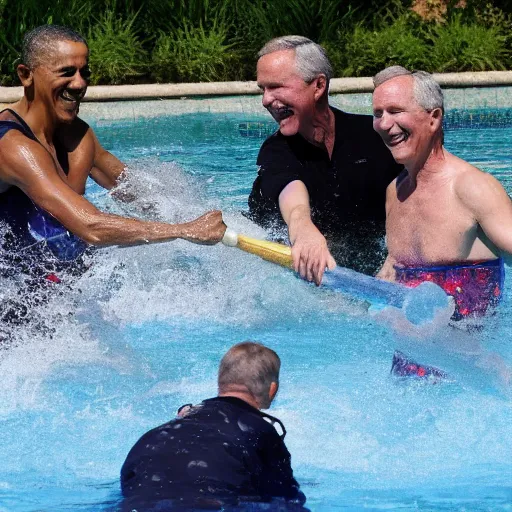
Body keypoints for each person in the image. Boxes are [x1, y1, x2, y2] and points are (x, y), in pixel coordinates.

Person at [0, 25, 225, 283]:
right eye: (66, 73)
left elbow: (135, 192)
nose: (79, 83)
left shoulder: (79, 137)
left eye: (85, 72)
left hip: (65, 288)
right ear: (26, 75)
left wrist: (197, 218)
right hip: (14, 299)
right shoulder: (11, 145)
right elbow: (90, 227)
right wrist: (184, 230)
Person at [248, 36, 403, 283]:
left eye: (276, 87)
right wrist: (303, 230)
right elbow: (292, 196)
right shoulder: (276, 150)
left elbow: (411, 191)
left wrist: (397, 256)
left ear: (318, 86)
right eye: (263, 89)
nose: (265, 99)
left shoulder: (374, 138)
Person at [372, 66, 509, 323]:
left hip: (468, 359)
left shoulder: (472, 188)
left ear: (433, 118)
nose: (384, 123)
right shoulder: (395, 192)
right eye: (378, 113)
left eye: (395, 111)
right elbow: (392, 271)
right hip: (408, 359)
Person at [120, 342, 306, 509]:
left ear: (221, 382)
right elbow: (288, 498)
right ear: (272, 389)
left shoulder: (165, 429)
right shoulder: (261, 431)